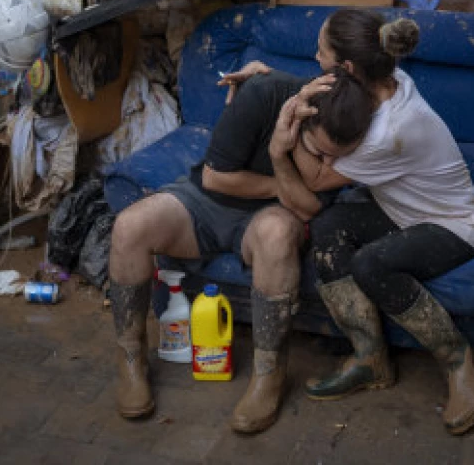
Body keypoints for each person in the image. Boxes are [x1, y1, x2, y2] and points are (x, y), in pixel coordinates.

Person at [220, 9, 474, 435]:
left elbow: (314, 180)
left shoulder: (390, 129)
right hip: (401, 212)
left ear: (345, 68)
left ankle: (461, 361)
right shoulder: (384, 80)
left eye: (320, 51)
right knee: (329, 228)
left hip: (454, 224)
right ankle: (370, 359)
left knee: (371, 264)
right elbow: (324, 94)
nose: (313, 57)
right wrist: (265, 79)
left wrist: (285, 132)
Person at [108, 67, 375, 434]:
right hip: (206, 200)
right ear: (299, 116)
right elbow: (215, 178)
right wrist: (284, 183)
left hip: (270, 217)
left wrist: (283, 159)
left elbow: (308, 208)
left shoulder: (355, 128)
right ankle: (130, 357)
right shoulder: (263, 94)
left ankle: (269, 373)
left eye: (337, 160)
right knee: (129, 227)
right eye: (319, 153)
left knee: (278, 233)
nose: (327, 168)